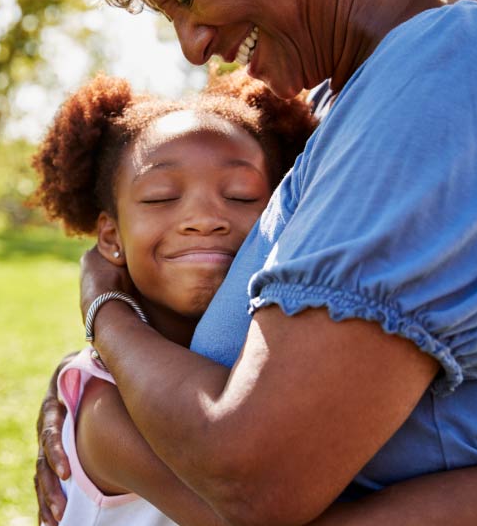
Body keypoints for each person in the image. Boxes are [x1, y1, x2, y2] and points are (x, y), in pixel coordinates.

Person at [34, 0, 477, 524]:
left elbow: (253, 480)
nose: (191, 46)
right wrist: (89, 383)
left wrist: (102, 307)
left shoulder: (449, 72)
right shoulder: (334, 103)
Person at [31, 71, 316, 525]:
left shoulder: (274, 350)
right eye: (162, 197)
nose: (204, 218)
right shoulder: (106, 407)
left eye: (240, 195)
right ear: (110, 235)